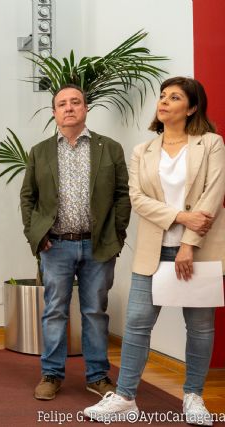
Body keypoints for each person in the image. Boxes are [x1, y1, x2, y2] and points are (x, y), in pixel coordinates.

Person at [84, 77, 225, 425]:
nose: (163, 101)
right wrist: (179, 215)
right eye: (162, 96)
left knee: (200, 327)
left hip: (198, 251)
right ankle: (125, 398)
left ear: (191, 108)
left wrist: (188, 244)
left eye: (174, 97)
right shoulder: (142, 151)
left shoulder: (211, 143)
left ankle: (193, 397)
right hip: (154, 249)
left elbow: (212, 195)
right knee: (135, 325)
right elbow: (138, 200)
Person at [20, 84, 131, 400]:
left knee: (95, 311)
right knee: (55, 311)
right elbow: (28, 197)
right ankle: (51, 374)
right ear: (55, 112)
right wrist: (36, 236)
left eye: (75, 102)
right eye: (62, 104)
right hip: (55, 246)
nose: (69, 108)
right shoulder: (40, 151)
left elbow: (123, 196)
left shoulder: (109, 148)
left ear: (85, 109)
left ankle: (97, 376)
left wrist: (117, 236)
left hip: (98, 246)